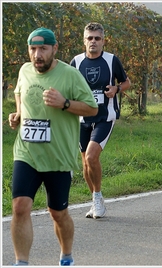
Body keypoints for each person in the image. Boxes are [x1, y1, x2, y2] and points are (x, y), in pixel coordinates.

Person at [8, 27, 98, 266]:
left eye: (43, 49)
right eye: (33, 49)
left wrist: (65, 103)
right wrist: (18, 114)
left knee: (57, 213)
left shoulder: (70, 75)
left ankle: (66, 256)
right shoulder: (25, 70)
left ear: (54, 49)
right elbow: (20, 93)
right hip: (27, 152)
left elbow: (92, 108)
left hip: (58, 156)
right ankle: (21, 262)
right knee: (19, 207)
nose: (37, 55)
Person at [70, 22, 131, 219]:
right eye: (90, 38)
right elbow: (68, 87)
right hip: (82, 118)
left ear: (103, 41)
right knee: (86, 165)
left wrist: (116, 89)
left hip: (105, 116)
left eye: (97, 38)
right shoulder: (76, 62)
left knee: (91, 157)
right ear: (84, 40)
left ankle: (97, 199)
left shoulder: (112, 60)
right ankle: (96, 200)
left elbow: (126, 82)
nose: (93, 41)